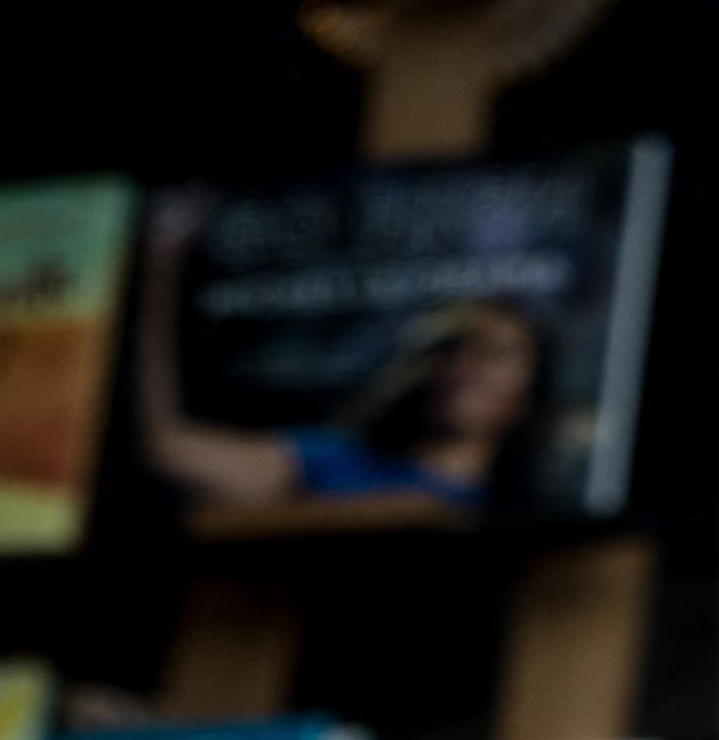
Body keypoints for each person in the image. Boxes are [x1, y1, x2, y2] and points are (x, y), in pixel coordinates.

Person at [130, 193, 550, 519]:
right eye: (449, 347)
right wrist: (159, 270)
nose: (466, 366)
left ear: (528, 393)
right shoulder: (335, 461)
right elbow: (169, 445)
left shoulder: (529, 509)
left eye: (495, 354)